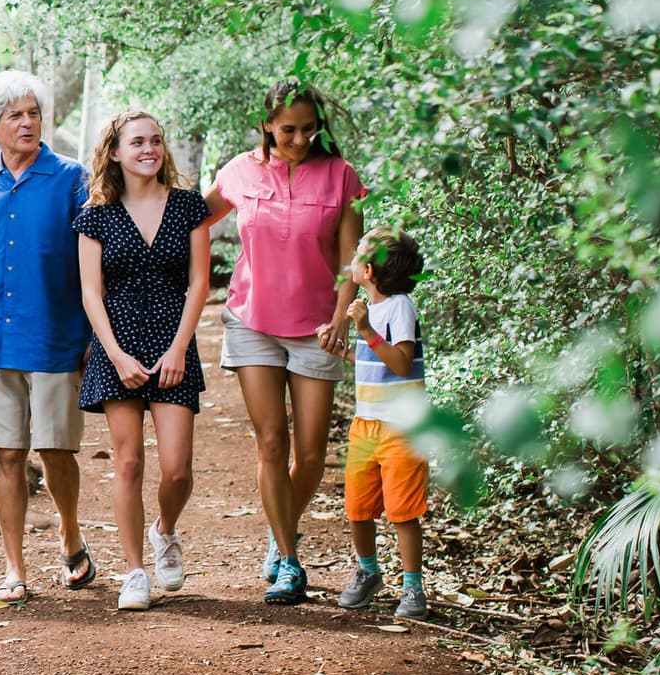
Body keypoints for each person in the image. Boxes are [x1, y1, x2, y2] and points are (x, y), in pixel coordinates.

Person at [204, 80, 365, 606]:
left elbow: (350, 258)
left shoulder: (340, 176)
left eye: (309, 128)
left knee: (312, 452)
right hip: (251, 321)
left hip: (318, 326)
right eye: (289, 129)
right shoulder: (238, 172)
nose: (300, 139)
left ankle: (279, 534)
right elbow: (188, 222)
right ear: (268, 124)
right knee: (272, 441)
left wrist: (341, 317)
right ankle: (291, 562)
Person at [0, 70, 92, 603]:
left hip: (57, 335)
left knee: (56, 450)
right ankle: (14, 569)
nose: (28, 122)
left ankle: (69, 532)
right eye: (16, 115)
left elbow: (91, 257)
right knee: (8, 456)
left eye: (34, 112)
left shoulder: (71, 178)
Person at [74, 110, 211, 611]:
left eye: (155, 140)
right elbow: (91, 292)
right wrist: (115, 354)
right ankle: (134, 572)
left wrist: (178, 348)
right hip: (118, 346)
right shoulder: (95, 215)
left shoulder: (188, 206)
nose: (149, 149)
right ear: (115, 152)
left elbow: (200, 282)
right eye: (137, 142)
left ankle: (165, 530)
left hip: (173, 342)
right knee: (128, 462)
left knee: (177, 469)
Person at [338, 227, 431, 619]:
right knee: (358, 507)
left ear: (371, 270)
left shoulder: (399, 307)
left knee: (403, 511)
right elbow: (376, 361)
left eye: (359, 253)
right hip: (366, 425)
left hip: (402, 429)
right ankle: (368, 571)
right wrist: (343, 349)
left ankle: (413, 587)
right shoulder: (368, 307)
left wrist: (364, 331)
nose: (352, 259)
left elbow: (401, 361)